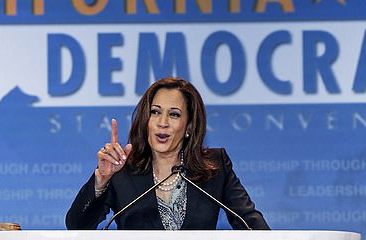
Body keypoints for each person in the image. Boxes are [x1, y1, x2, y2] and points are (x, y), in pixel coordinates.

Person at [65, 77, 269, 230]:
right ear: (146, 120)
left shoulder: (215, 167)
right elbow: (76, 227)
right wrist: (101, 179)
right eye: (155, 112)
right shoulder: (123, 169)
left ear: (189, 126)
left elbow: (252, 226)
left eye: (174, 114)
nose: (162, 122)